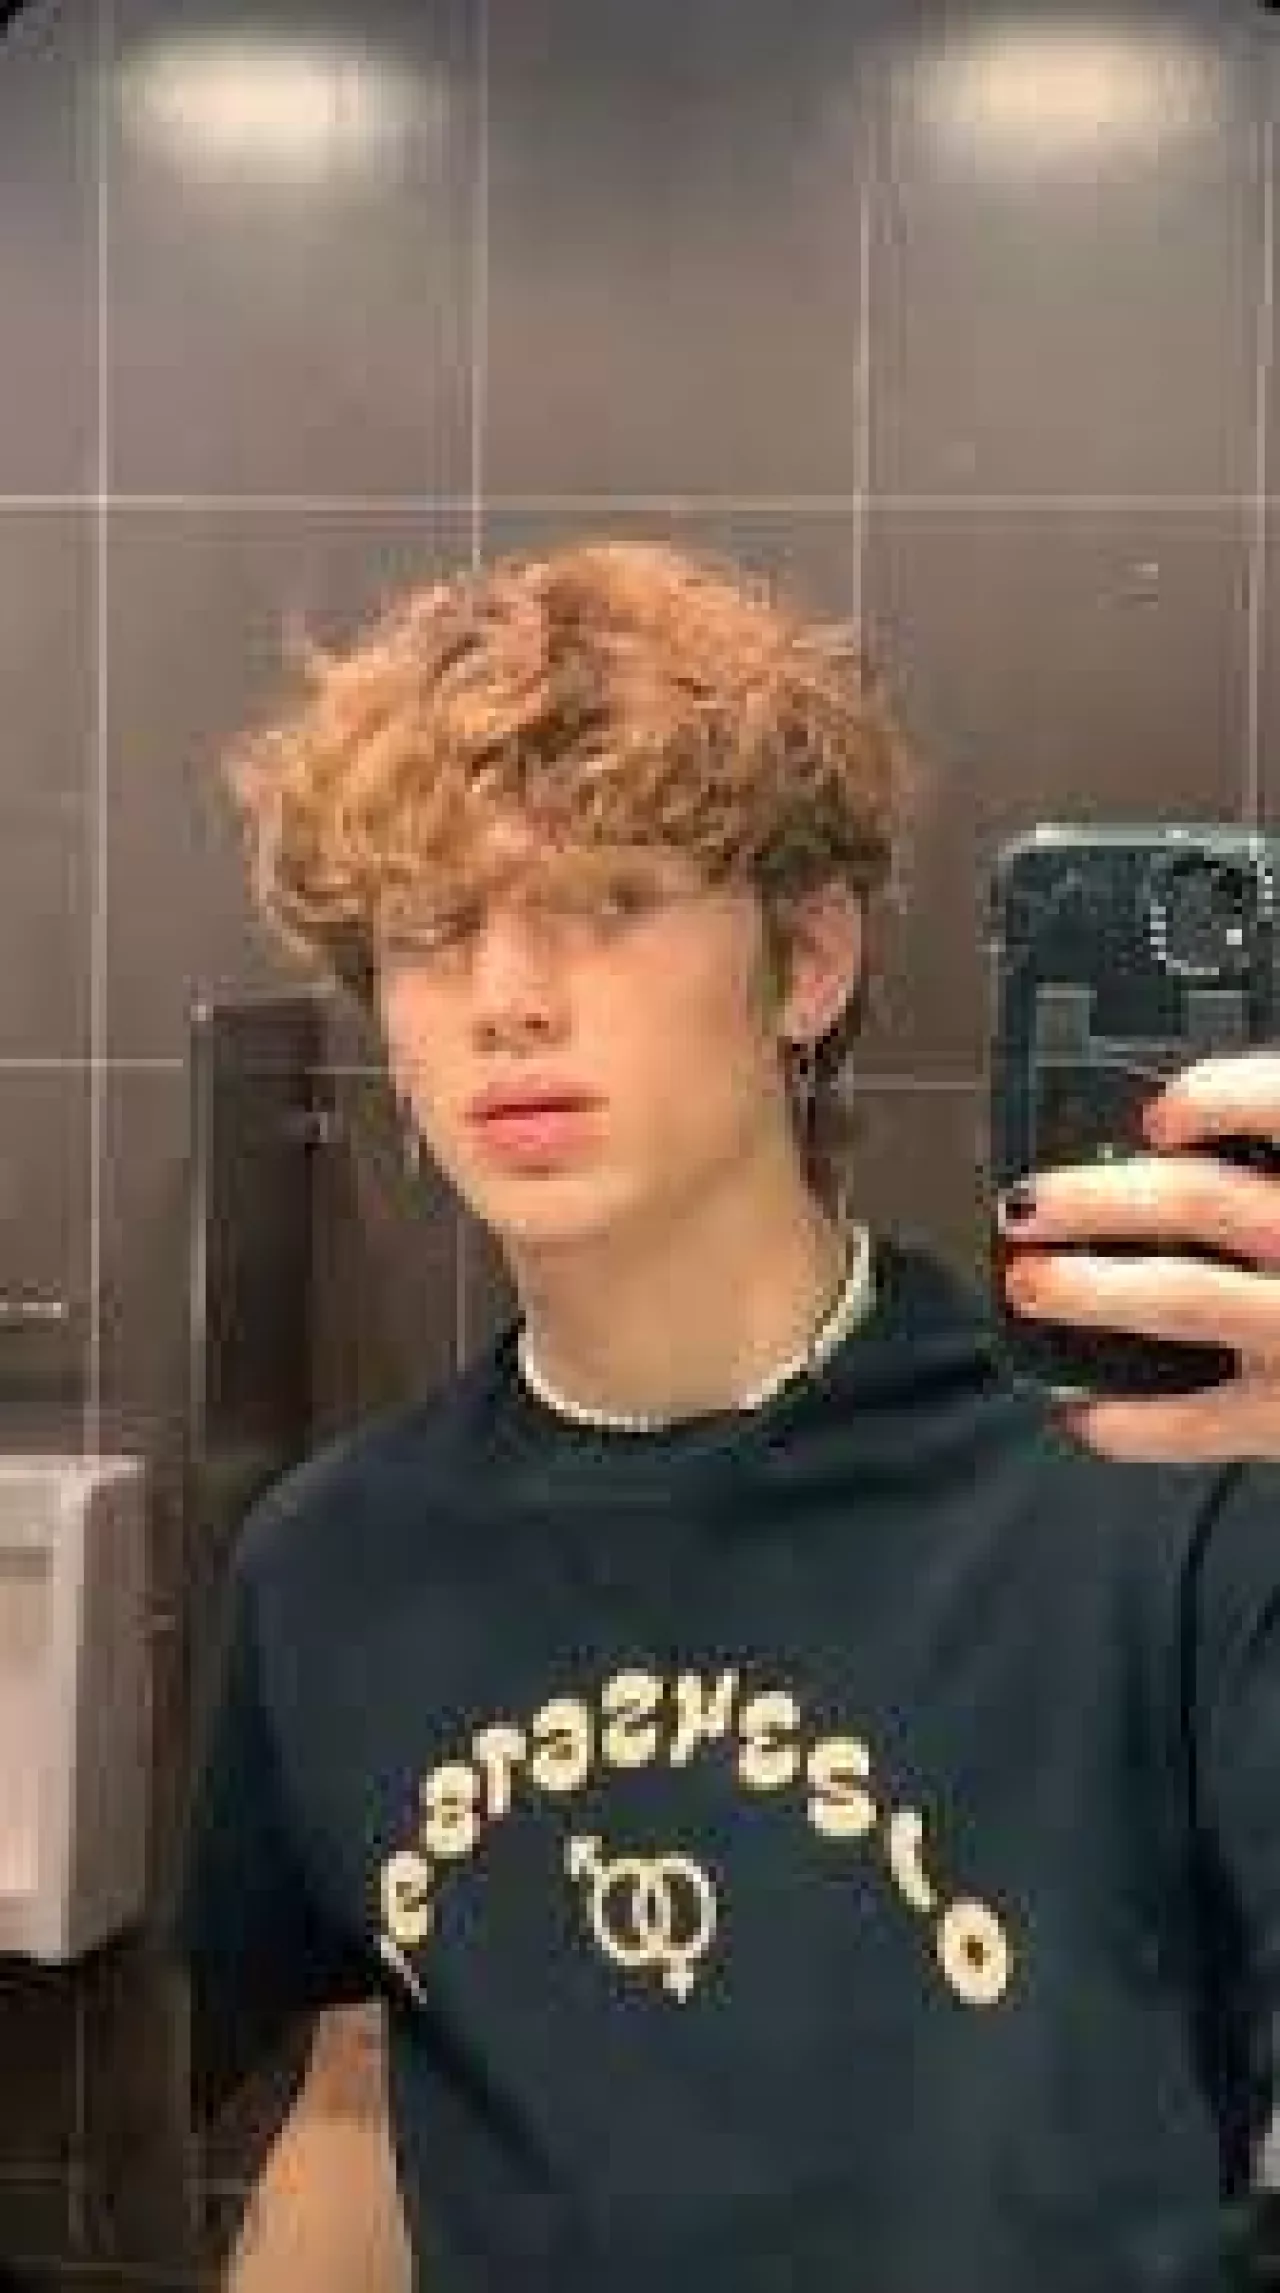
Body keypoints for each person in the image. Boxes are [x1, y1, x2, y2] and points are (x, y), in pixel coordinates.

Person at [162, 539, 1280, 2292]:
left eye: (606, 901)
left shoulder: (1156, 1490)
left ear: (807, 960)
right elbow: (363, 2100)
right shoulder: (329, 1569)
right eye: (431, 931)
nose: (506, 997)